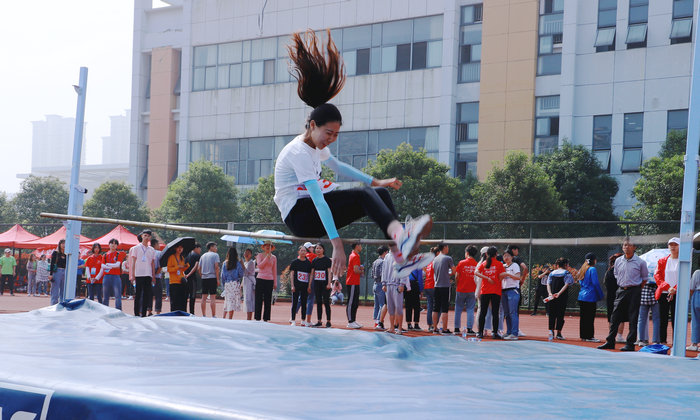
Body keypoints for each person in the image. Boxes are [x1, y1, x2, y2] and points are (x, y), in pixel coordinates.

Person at [274, 30, 434, 284]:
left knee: (378, 194)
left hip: (310, 210)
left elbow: (337, 165)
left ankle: (400, 256)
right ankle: (402, 239)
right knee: (361, 195)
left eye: (336, 135)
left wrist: (376, 181)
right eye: (329, 133)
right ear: (313, 125)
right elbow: (319, 201)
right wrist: (336, 244)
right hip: (300, 215)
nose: (331, 139)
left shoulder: (315, 145)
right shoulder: (298, 152)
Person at [598, 238, 649, 351]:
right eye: (625, 245)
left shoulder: (640, 262)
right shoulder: (618, 261)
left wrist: (635, 287)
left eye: (629, 245)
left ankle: (630, 344)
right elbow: (616, 274)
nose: (626, 247)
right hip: (620, 290)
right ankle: (610, 341)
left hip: (634, 291)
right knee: (615, 317)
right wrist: (623, 285)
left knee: (633, 317)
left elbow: (644, 278)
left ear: (634, 247)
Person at [654, 237, 680, 344]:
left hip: (678, 294)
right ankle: (662, 342)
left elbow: (685, 277)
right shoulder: (662, 261)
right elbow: (657, 276)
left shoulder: (683, 261)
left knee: (676, 319)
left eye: (675, 244)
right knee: (662, 319)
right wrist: (668, 287)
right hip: (664, 293)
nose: (673, 246)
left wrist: (675, 289)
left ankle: (676, 343)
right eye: (671, 244)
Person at [475, 246, 505, 339]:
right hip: (495, 291)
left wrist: (486, 277)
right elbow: (501, 277)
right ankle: (495, 333)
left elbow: (476, 272)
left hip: (485, 291)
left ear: (487, 254)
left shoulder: (484, 263)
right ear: (496, 254)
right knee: (495, 312)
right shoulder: (499, 264)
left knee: (483, 312)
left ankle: (480, 332)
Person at [576, 253, 604, 342]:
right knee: (590, 317)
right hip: (590, 296)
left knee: (583, 317)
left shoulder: (582, 269)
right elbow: (595, 283)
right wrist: (600, 294)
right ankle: (590, 336)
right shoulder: (592, 269)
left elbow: (580, 282)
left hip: (581, 296)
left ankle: (583, 335)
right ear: (594, 260)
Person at [129, 230, 156, 317]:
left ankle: (143, 314)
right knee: (138, 294)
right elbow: (133, 262)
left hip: (148, 274)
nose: (146, 237)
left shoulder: (151, 249)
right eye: (145, 235)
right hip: (138, 274)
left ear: (150, 238)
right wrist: (132, 275)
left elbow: (152, 263)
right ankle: (136, 313)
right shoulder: (136, 248)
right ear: (141, 236)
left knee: (146, 295)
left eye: (148, 236)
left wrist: (153, 276)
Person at [546, 258, 574, 341]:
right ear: (565, 265)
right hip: (562, 297)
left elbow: (548, 284)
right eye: (568, 264)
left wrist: (550, 293)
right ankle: (559, 333)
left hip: (552, 297)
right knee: (560, 314)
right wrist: (559, 293)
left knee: (552, 314)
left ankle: (551, 332)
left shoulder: (552, 273)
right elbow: (567, 284)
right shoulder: (567, 273)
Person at [381, 252, 410, 335]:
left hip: (397, 285)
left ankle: (399, 328)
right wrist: (383, 283)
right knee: (390, 308)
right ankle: (392, 327)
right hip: (388, 285)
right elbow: (384, 270)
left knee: (398, 307)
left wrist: (402, 284)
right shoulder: (387, 256)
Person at [454, 245, 478, 336]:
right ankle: (470, 329)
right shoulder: (476, 264)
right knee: (470, 309)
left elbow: (457, 276)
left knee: (458, 309)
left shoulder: (461, 263)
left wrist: (458, 285)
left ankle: (456, 328)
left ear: (467, 253)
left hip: (461, 289)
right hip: (472, 290)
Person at [432, 243, 454, 335]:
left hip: (436, 286)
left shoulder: (435, 259)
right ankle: (444, 329)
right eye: (447, 246)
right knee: (445, 308)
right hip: (445, 286)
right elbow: (454, 270)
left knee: (435, 308)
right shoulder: (448, 258)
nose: (448, 248)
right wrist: (449, 275)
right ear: (444, 247)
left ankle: (435, 328)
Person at [604, 253, 626, 343]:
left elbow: (606, 284)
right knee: (621, 317)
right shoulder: (621, 271)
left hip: (610, 296)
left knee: (611, 316)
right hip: (620, 295)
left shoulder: (608, 272)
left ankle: (611, 335)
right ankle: (619, 336)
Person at [501, 249, 522, 340]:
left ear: (512, 257)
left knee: (513, 312)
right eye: (504, 256)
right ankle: (508, 331)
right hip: (504, 291)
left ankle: (514, 333)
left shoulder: (515, 265)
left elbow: (518, 277)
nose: (506, 257)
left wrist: (508, 274)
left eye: (508, 256)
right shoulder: (502, 266)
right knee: (506, 313)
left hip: (513, 291)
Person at [310, 243, 332, 327]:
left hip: (325, 284)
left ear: (323, 250)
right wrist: (309, 285)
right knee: (318, 302)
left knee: (326, 302)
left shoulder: (327, 260)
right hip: (317, 284)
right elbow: (312, 273)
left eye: (320, 248)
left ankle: (328, 321)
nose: (318, 250)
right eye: (316, 248)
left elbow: (329, 272)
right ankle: (319, 321)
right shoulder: (314, 260)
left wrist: (329, 283)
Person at [255, 241, 277, 322]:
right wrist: (267, 257)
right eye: (266, 246)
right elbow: (260, 266)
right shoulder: (259, 255)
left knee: (268, 300)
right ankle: (257, 317)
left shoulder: (274, 257)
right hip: (260, 278)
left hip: (269, 280)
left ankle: (266, 318)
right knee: (258, 299)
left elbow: (274, 270)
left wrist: (275, 283)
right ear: (263, 247)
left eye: (270, 246)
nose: (268, 247)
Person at [289, 245, 312, 326]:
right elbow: (291, 274)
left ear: (306, 252)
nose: (303, 252)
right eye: (301, 251)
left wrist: (309, 285)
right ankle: (293, 319)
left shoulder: (308, 263)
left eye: (304, 251)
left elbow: (310, 275)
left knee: (304, 302)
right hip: (296, 285)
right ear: (298, 252)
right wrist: (292, 285)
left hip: (305, 286)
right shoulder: (294, 262)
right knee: (294, 302)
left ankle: (303, 320)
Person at [221, 247, 244, 320]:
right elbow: (241, 274)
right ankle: (230, 318)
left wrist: (224, 284)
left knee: (227, 300)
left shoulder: (225, 263)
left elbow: (222, 276)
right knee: (232, 302)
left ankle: (224, 317)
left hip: (227, 284)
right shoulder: (238, 263)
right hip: (235, 283)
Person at [199, 242, 221, 317]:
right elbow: (216, 267)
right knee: (212, 297)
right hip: (212, 277)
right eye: (215, 247)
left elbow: (199, 268)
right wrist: (218, 279)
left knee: (203, 297)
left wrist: (202, 275)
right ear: (211, 247)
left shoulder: (203, 256)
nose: (216, 248)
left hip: (204, 278)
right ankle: (213, 315)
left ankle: (204, 315)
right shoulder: (215, 255)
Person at [637, 274, 660, 346]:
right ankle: (655, 340)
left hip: (644, 291)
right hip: (655, 291)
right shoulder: (659, 263)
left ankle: (641, 339)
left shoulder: (642, 263)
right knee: (656, 319)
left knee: (642, 319)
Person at [102, 238, 125, 310]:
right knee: (105, 295)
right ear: (109, 245)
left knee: (117, 295)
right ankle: (105, 309)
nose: (113, 245)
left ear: (117, 246)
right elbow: (102, 266)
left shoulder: (119, 254)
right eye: (112, 243)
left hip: (116, 276)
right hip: (106, 276)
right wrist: (112, 265)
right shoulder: (105, 255)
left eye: (115, 244)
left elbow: (117, 265)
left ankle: (118, 309)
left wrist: (108, 264)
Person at [167, 244, 190, 312]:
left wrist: (186, 266)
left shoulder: (182, 258)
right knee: (174, 301)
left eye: (181, 247)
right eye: (178, 247)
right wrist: (178, 267)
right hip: (174, 282)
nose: (180, 249)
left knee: (182, 300)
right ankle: (174, 313)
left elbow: (182, 270)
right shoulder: (171, 257)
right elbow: (169, 269)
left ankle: (182, 313)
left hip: (181, 281)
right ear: (175, 248)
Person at [346, 243, 363, 329]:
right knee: (351, 302)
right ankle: (350, 321)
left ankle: (353, 320)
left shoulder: (354, 255)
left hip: (355, 282)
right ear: (357, 246)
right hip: (352, 281)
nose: (361, 247)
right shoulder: (355, 256)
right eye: (360, 245)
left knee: (355, 302)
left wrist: (359, 269)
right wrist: (362, 270)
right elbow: (356, 270)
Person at [371, 246, 389, 330]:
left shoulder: (375, 261)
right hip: (381, 284)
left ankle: (376, 321)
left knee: (376, 305)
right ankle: (379, 322)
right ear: (385, 252)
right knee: (382, 304)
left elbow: (372, 274)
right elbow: (383, 274)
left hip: (375, 284)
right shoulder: (383, 262)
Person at [423, 247, 439, 332]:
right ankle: (434, 324)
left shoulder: (429, 262)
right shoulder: (436, 261)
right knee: (436, 307)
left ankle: (430, 325)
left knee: (430, 306)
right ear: (437, 253)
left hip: (427, 286)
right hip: (433, 286)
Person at [185, 243, 202, 315]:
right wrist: (189, 274)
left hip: (185, 277)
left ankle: (184, 311)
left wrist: (185, 275)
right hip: (191, 278)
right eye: (200, 248)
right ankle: (192, 313)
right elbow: (196, 266)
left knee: (185, 295)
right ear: (196, 248)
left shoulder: (187, 255)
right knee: (192, 296)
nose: (200, 250)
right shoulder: (197, 255)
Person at [149, 238, 164, 316]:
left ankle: (149, 311)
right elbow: (161, 264)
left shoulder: (148, 252)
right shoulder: (159, 253)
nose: (159, 246)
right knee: (158, 295)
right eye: (158, 244)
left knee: (149, 294)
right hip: (157, 277)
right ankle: (157, 311)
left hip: (148, 276)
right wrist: (157, 272)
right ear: (155, 244)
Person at [48, 240, 66, 304]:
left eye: (65, 244)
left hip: (65, 271)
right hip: (57, 271)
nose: (64, 245)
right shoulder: (56, 253)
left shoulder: (67, 254)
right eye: (62, 243)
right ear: (60, 244)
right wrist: (50, 274)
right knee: (55, 288)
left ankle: (62, 303)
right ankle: (53, 304)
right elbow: (52, 263)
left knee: (63, 289)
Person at [688, 268, 700, 352]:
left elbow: (691, 288)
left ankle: (694, 344)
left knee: (695, 320)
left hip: (698, 294)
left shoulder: (697, 272)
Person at [242, 248, 256, 321]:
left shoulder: (251, 262)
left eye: (248, 253)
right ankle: (248, 317)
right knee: (246, 299)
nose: (246, 254)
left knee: (249, 299)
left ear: (251, 255)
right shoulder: (245, 262)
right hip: (245, 282)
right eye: (245, 252)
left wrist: (241, 264)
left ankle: (249, 318)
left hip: (250, 282)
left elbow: (246, 272)